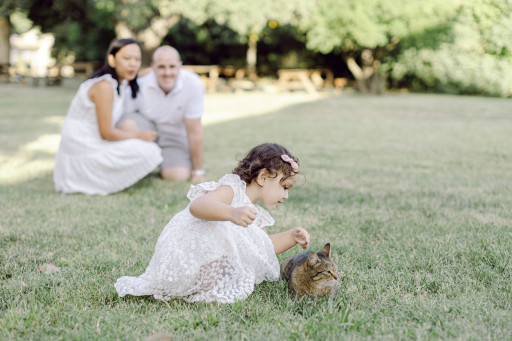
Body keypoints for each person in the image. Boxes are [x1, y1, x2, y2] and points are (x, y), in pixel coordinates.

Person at [115, 143, 310, 303]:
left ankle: (209, 284)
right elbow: (198, 206)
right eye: (284, 187)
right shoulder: (232, 190)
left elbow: (263, 247)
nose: (286, 195)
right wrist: (231, 213)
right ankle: (196, 281)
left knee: (240, 258)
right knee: (222, 226)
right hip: (187, 257)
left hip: (209, 265)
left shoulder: (254, 212)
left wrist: (292, 236)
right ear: (263, 177)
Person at [53, 38, 163, 195]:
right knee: (149, 150)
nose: (133, 64)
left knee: (141, 141)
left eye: (137, 59)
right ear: (112, 60)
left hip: (94, 141)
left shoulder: (119, 81)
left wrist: (154, 70)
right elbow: (106, 133)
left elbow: (140, 73)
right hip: (84, 146)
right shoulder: (104, 86)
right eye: (126, 58)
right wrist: (139, 135)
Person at [118, 45, 205, 182]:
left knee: (177, 176)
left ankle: (167, 162)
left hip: (174, 136)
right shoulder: (141, 83)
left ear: (179, 66)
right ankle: (138, 163)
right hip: (147, 130)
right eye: (161, 67)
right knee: (126, 124)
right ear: (153, 67)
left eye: (172, 66)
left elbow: (194, 130)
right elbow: (122, 116)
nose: (167, 72)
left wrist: (197, 171)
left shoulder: (193, 83)